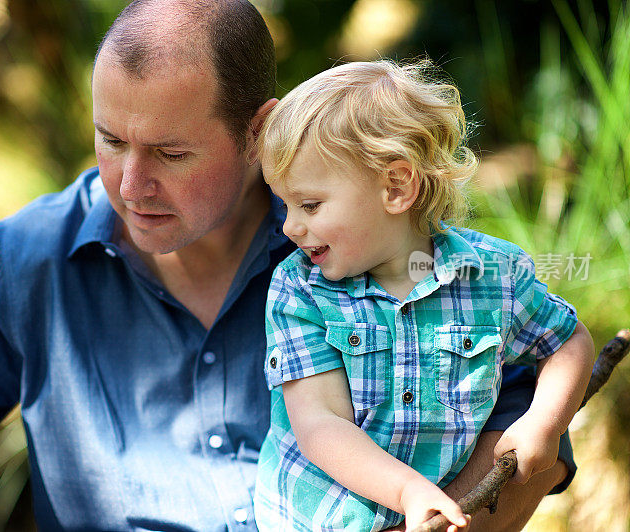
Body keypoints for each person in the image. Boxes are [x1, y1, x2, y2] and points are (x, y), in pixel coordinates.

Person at [0, 1, 590, 530]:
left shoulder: (366, 238)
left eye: (170, 153)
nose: (128, 186)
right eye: (111, 141)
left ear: (258, 130)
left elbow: (531, 434)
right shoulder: (30, 261)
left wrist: (449, 506)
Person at [252, 60, 594, 532]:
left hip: (443, 510)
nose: (290, 226)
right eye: (285, 204)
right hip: (320, 518)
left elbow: (567, 341)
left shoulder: (492, 275)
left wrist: (544, 423)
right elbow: (320, 424)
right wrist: (407, 491)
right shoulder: (300, 290)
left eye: (309, 204)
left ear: (396, 186)